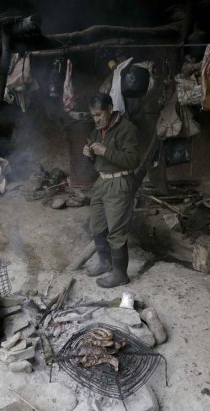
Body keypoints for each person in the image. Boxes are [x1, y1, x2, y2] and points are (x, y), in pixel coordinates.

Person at [82, 92, 140, 288]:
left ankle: (120, 274)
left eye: (99, 114)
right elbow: (95, 158)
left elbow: (132, 160)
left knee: (116, 231)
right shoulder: (96, 132)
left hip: (119, 182)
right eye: (93, 116)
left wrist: (105, 151)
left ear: (110, 109)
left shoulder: (127, 129)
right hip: (101, 182)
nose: (96, 119)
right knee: (96, 226)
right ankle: (105, 263)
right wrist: (89, 154)